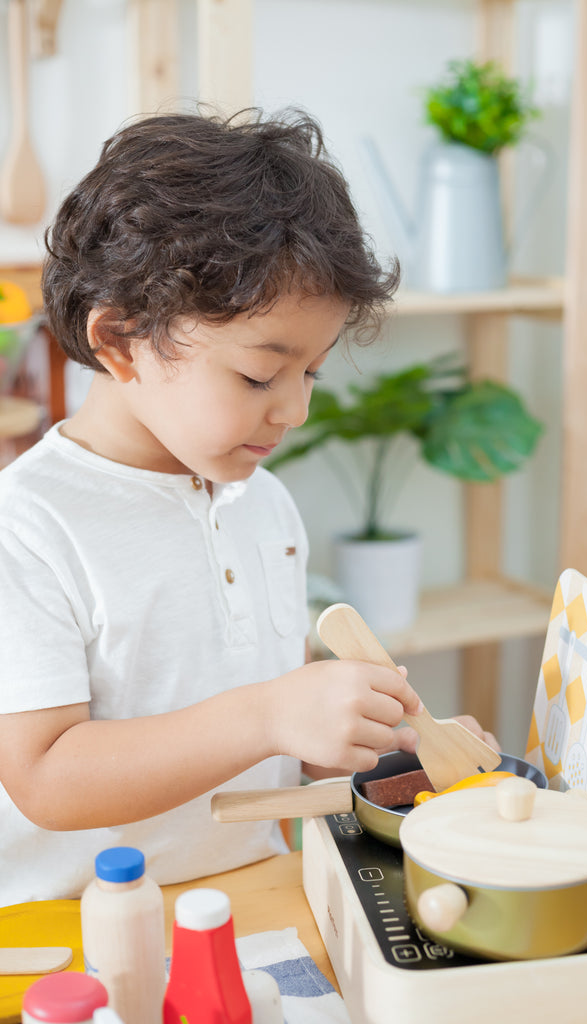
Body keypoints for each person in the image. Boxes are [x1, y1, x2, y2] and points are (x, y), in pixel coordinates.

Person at [0, 110, 497, 906]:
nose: (293, 410)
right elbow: (45, 777)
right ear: (121, 342)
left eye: (313, 375)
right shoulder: (28, 526)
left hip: (253, 891)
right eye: (261, 378)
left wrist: (373, 744)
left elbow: (268, 700)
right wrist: (266, 716)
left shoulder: (260, 501)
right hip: (70, 926)